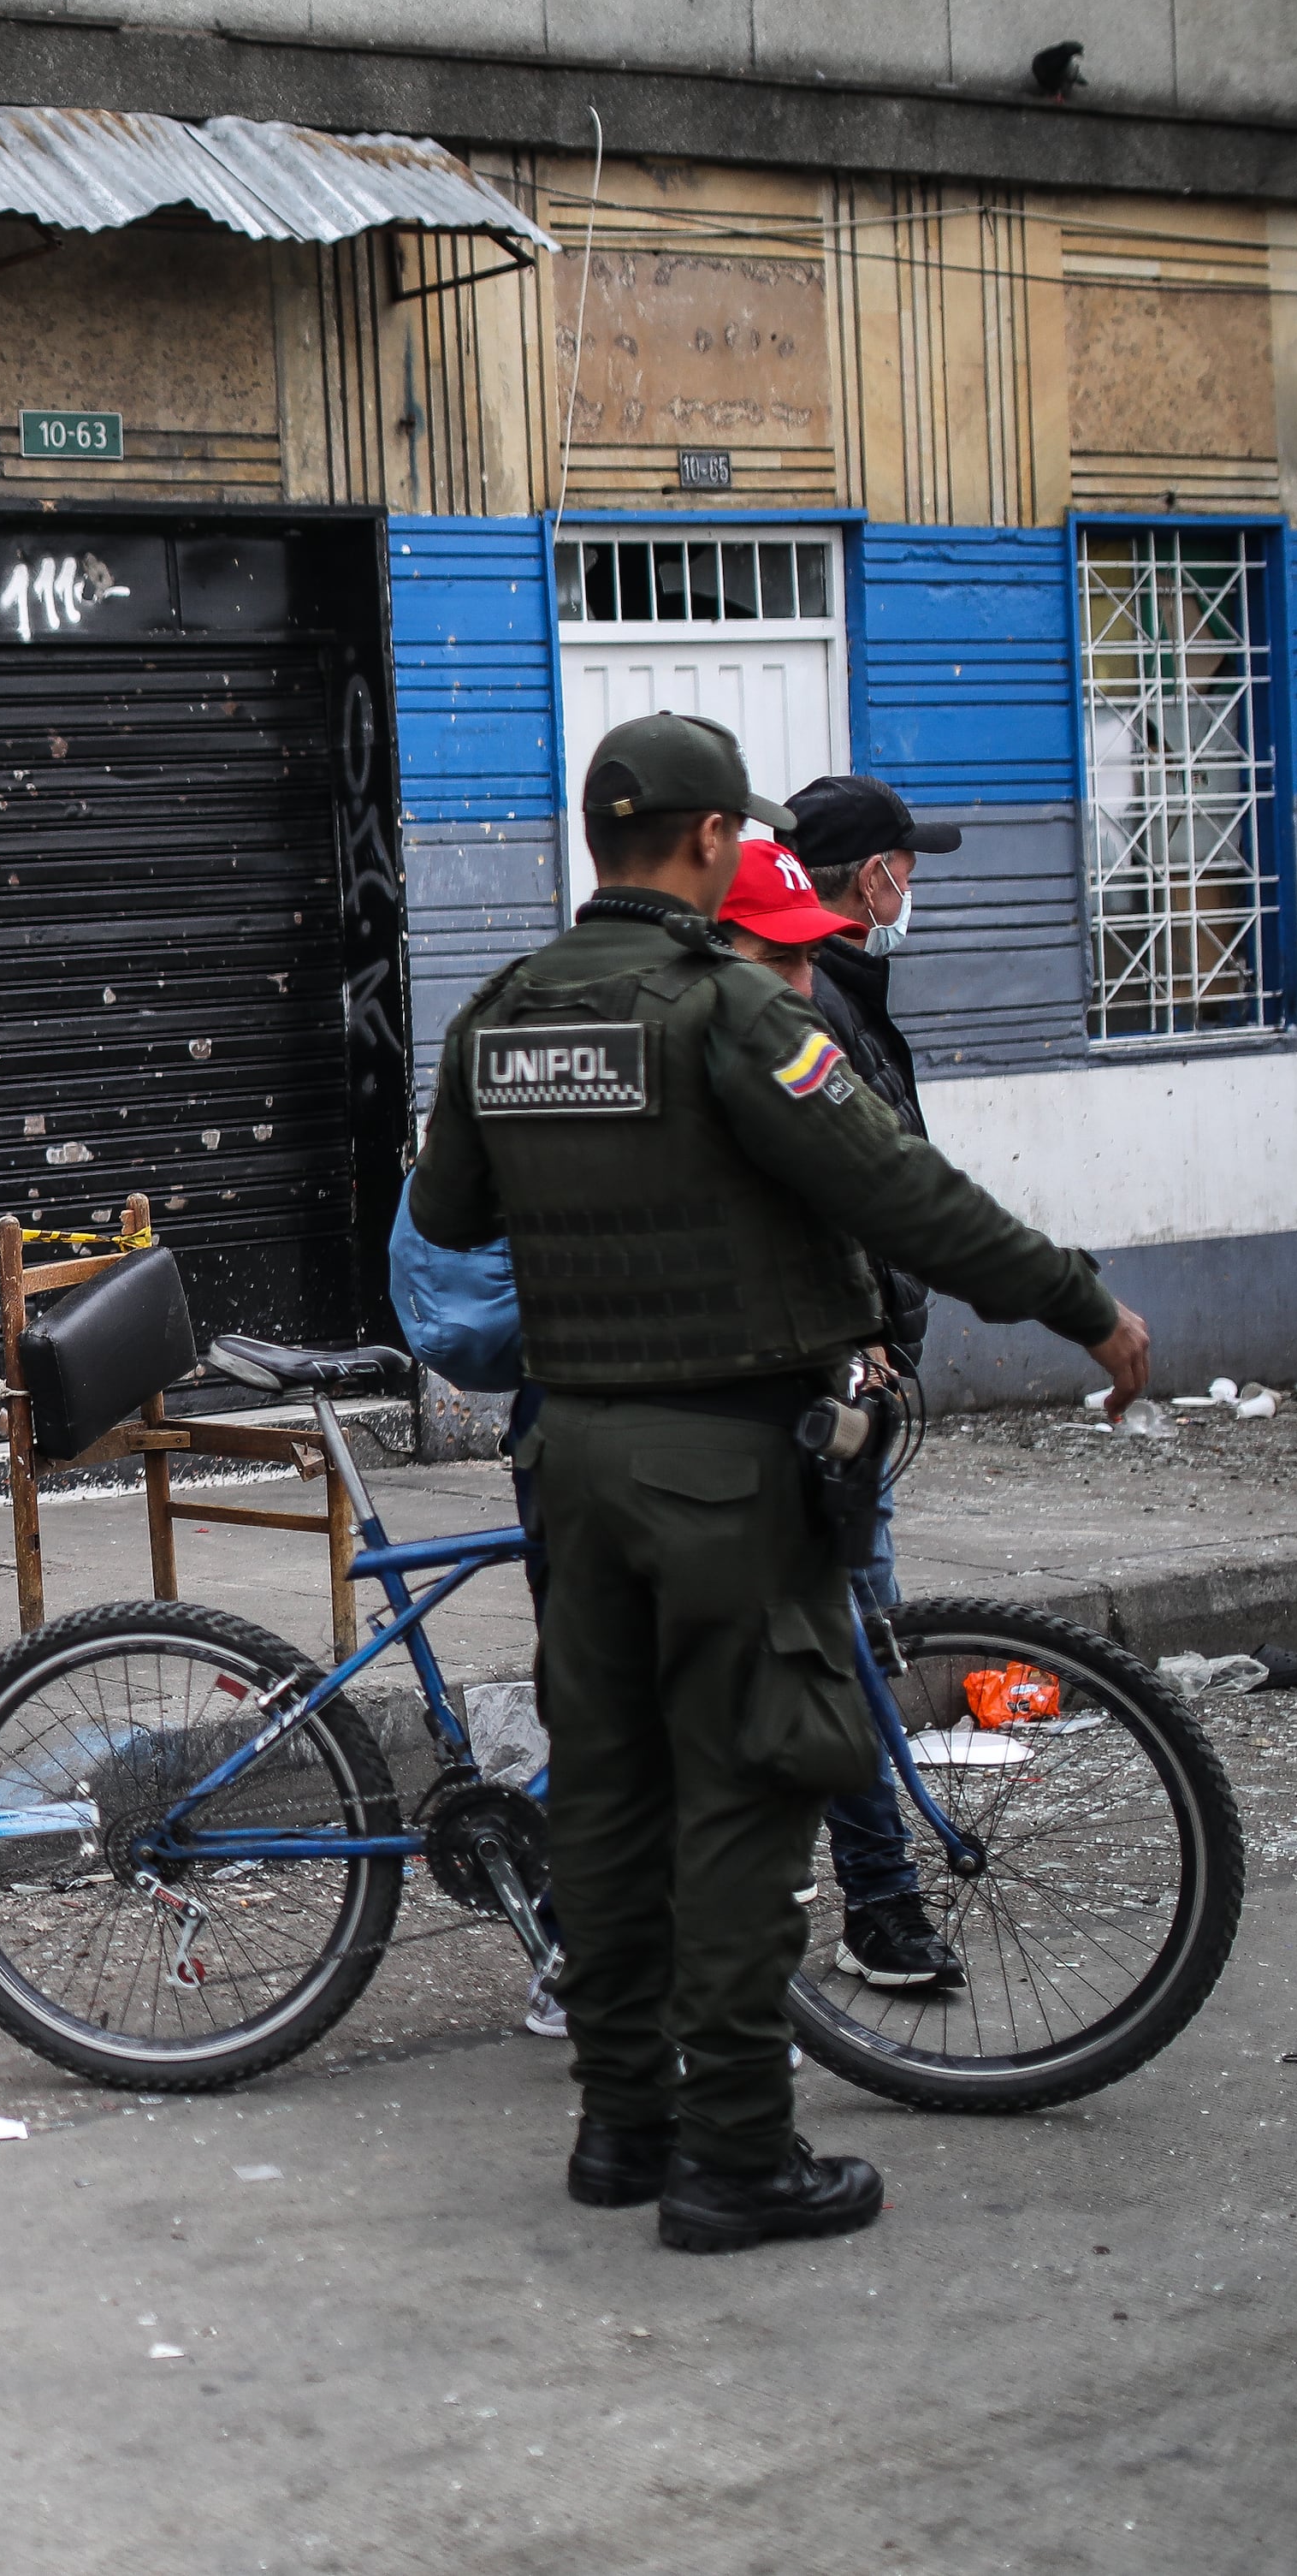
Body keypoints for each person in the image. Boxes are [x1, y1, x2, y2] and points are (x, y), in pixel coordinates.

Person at [412, 712, 1149, 2255]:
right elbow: (907, 1193)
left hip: (575, 1464)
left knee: (609, 1800)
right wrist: (1083, 1303)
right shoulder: (727, 1009)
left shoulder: (502, 1010)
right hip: (730, 1467)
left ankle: (624, 2127)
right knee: (750, 1789)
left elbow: (450, 1204)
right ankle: (738, 2155)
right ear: (699, 843)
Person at [709, 834, 966, 1995]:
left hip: (816, 1404)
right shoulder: (721, 1061)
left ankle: (869, 1898)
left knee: (841, 1652)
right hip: (711, 1430)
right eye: (787, 957)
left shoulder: (800, 1031)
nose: (809, 978)